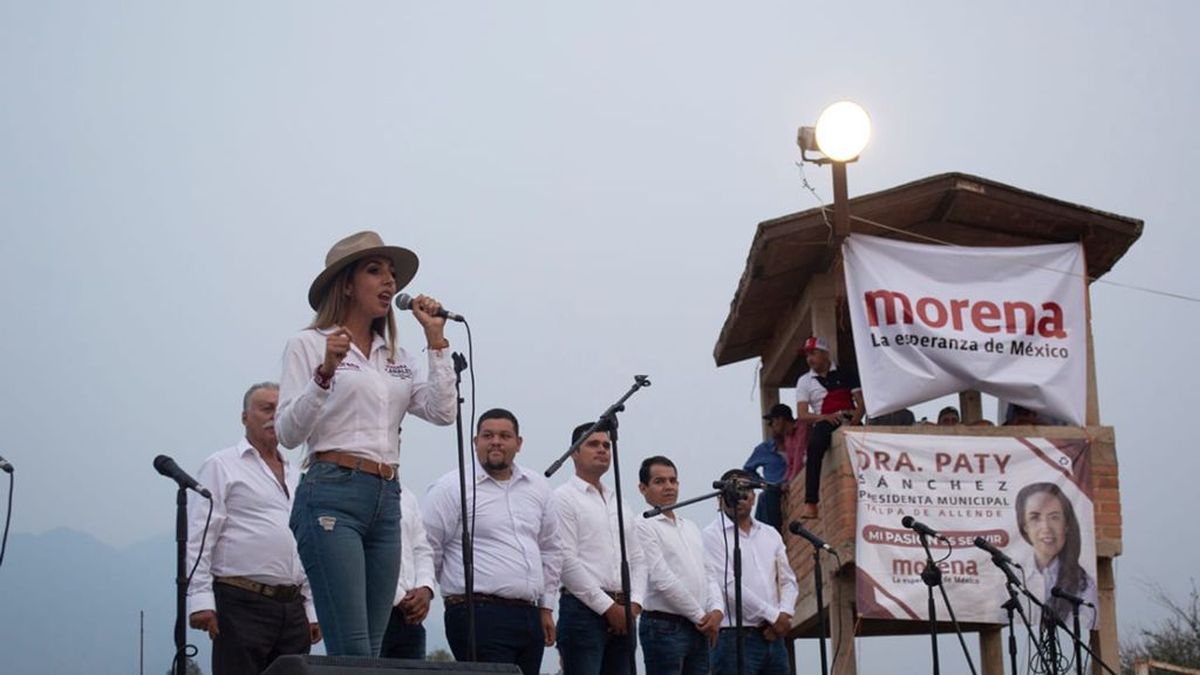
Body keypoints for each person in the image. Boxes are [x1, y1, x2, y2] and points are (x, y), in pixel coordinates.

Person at [276, 230, 456, 656]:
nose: (389, 281)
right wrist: (324, 373)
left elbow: (442, 412)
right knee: (354, 648)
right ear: (346, 284)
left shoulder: (396, 357)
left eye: (392, 273)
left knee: (372, 650)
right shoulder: (308, 344)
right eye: (375, 271)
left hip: (386, 495)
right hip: (331, 490)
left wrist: (435, 342)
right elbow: (287, 433)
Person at [186, 382, 321, 675]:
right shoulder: (222, 465)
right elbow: (200, 536)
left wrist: (311, 609)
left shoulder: (299, 474)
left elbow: (306, 544)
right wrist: (200, 599)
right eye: (266, 409)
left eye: (280, 409)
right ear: (245, 417)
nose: (274, 416)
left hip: (292, 606)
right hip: (241, 600)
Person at [422, 408, 561, 675]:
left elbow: (551, 549)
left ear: (518, 443)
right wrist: (438, 590)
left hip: (528, 613)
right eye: (488, 435)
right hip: (477, 612)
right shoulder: (452, 486)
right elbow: (429, 545)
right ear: (475, 442)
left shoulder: (537, 487)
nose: (496, 441)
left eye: (504, 436)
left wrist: (546, 606)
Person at [555, 422, 647, 675]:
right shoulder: (564, 498)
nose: (602, 450)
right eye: (593, 444)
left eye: (606, 445)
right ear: (574, 452)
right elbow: (566, 561)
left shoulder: (619, 502)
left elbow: (638, 559)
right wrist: (607, 607)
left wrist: (635, 604)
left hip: (625, 611)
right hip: (583, 611)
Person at [703, 469, 798, 675]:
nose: (739, 497)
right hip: (734, 637)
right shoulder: (712, 535)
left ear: (753, 497)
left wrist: (784, 614)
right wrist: (773, 616)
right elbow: (728, 585)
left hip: (772, 636)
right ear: (720, 498)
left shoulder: (770, 534)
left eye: (745, 491)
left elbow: (788, 581)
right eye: (733, 491)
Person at [635, 456, 723, 675]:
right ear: (643, 488)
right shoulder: (643, 525)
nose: (669, 487)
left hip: (699, 627)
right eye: (659, 481)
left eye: (673, 481)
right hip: (665, 626)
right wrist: (702, 617)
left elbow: (709, 573)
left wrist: (717, 611)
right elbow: (661, 577)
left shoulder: (690, 527)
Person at [794, 336, 864, 519]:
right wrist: (824, 417)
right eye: (807, 355)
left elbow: (861, 403)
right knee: (814, 447)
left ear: (825, 354)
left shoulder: (846, 373)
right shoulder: (805, 381)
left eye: (813, 353)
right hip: (825, 420)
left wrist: (854, 423)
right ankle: (811, 502)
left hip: (849, 417)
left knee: (866, 443)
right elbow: (802, 414)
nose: (810, 359)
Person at [1014, 482, 1098, 630]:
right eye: (1035, 518)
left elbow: (1087, 623)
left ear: (1066, 525)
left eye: (1054, 517)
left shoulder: (1084, 585)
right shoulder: (1012, 577)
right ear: (1024, 526)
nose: (1046, 527)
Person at [380, 483, 436, 660]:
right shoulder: (353, 492)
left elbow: (421, 549)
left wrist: (425, 588)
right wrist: (399, 597)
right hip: (374, 611)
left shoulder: (406, 495)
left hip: (410, 615)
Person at [742, 404, 797, 528]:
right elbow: (747, 470)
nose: (771, 427)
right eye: (769, 424)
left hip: (794, 487)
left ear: (781, 421)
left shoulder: (796, 443)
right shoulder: (764, 449)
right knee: (765, 497)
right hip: (774, 491)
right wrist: (764, 483)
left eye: (772, 422)